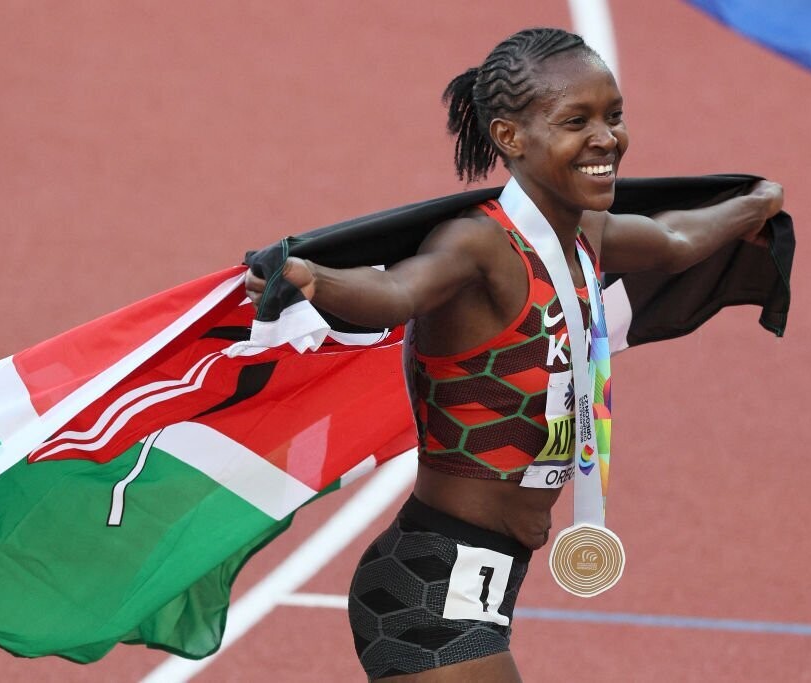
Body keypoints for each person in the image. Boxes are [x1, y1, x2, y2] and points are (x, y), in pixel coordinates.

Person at [245, 26, 783, 683]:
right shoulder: (478, 246)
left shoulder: (584, 235)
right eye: (576, 121)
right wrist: (316, 281)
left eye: (614, 116)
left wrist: (755, 205)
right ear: (510, 137)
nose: (606, 138)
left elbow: (674, 240)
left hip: (483, 581)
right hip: (430, 587)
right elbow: (396, 292)